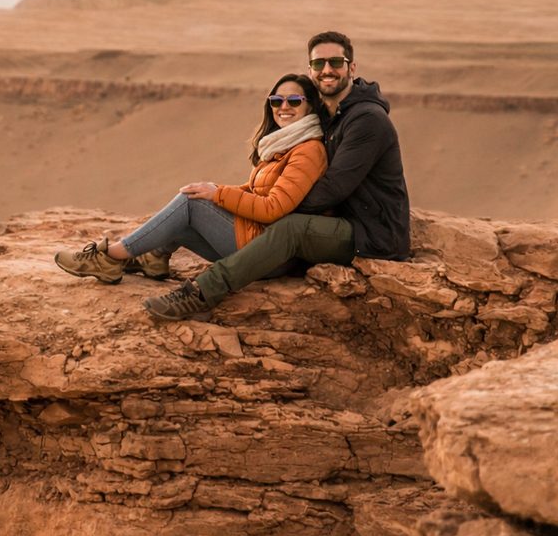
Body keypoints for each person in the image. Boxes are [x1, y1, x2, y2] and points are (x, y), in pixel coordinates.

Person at [143, 30, 410, 320]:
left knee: (290, 227)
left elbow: (334, 188)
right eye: (319, 64)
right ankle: (150, 254)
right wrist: (257, 202)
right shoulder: (334, 115)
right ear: (311, 70)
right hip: (338, 221)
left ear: (351, 67)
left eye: (336, 62)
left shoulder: (366, 119)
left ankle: (200, 293)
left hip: (372, 233)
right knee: (215, 207)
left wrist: (275, 207)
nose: (327, 70)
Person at [54, 73, 329, 286]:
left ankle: (109, 258)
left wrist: (216, 195)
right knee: (191, 206)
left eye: (294, 101)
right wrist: (215, 190)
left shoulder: (308, 150)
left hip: (269, 255)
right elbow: (256, 191)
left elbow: (272, 208)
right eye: (276, 101)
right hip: (259, 244)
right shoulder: (285, 144)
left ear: (310, 107)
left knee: (191, 203)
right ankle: (154, 258)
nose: (283, 107)